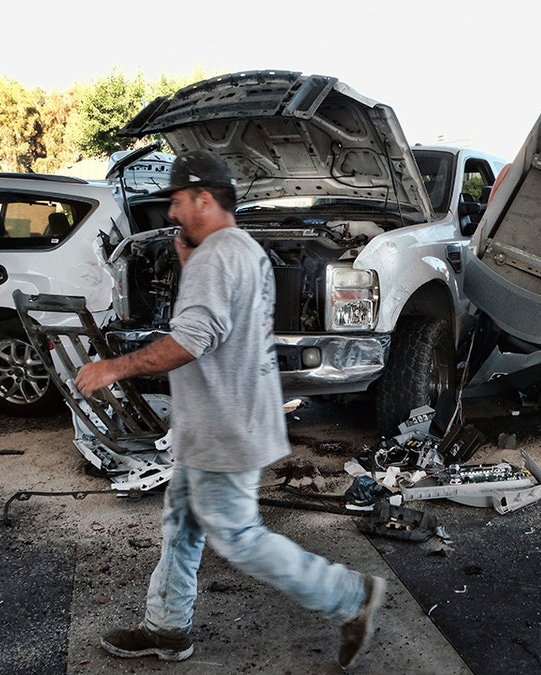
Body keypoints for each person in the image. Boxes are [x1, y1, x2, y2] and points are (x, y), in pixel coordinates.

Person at [75, 148, 385, 669]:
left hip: (225, 425)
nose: (170, 214)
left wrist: (115, 367)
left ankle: (349, 597)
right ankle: (167, 629)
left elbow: (191, 340)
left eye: (176, 201)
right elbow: (226, 324)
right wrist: (189, 264)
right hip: (222, 420)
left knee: (239, 538)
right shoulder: (241, 249)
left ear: (202, 198)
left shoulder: (217, 258)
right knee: (182, 525)